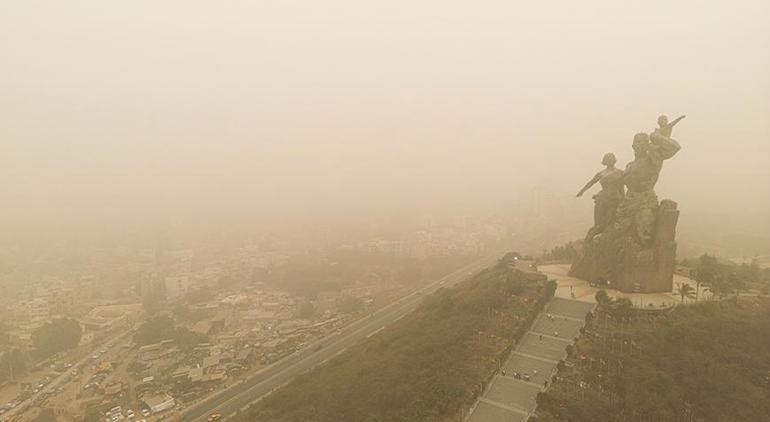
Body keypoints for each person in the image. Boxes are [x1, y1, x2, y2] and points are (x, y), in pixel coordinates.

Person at [576, 153, 624, 240]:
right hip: (602, 199)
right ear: (605, 161)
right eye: (608, 160)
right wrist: (582, 191)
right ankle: (594, 239)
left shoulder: (620, 173)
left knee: (609, 222)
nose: (610, 161)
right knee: (598, 223)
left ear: (614, 160)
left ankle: (606, 239)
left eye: (611, 159)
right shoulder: (601, 173)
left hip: (614, 200)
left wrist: (623, 201)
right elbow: (591, 182)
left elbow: (622, 188)